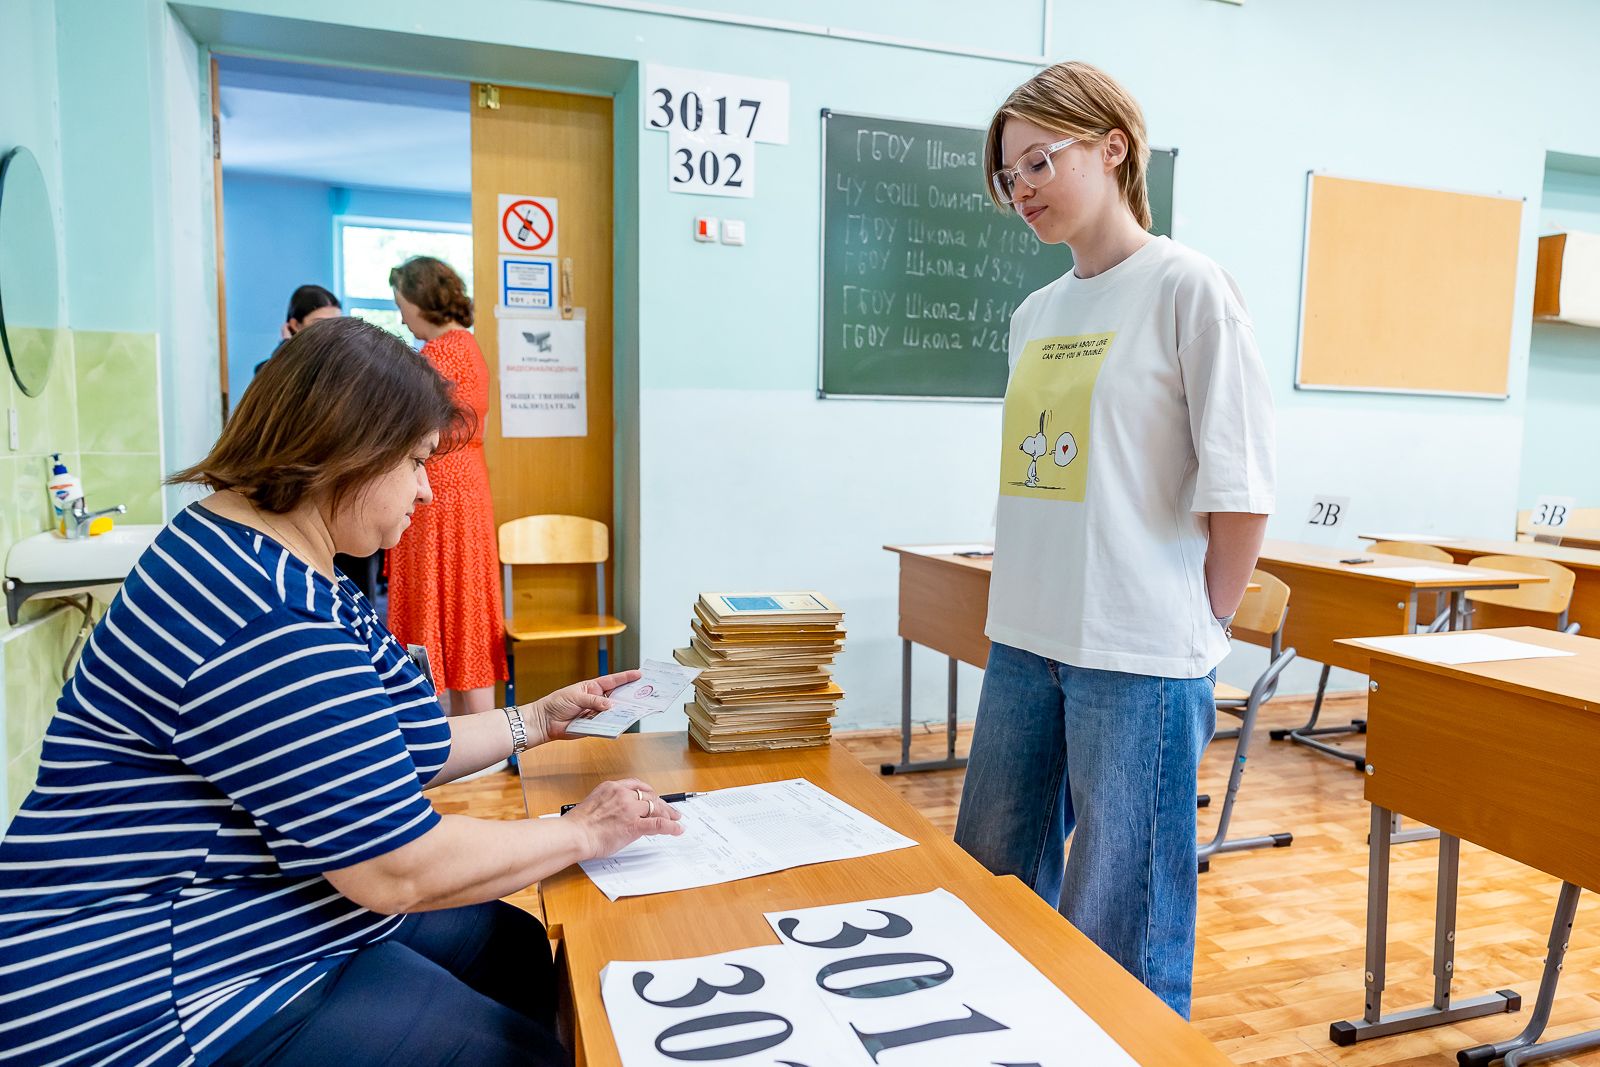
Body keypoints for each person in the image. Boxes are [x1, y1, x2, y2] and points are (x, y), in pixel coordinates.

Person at [0, 318, 684, 1067]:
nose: (427, 490)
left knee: (517, 949)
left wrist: (536, 718)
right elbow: (398, 868)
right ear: (347, 454)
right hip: (159, 982)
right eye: (418, 461)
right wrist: (584, 830)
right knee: (516, 1054)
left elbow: (405, 743)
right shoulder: (263, 611)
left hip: (262, 895)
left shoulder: (291, 559)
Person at [952, 61, 1276, 1018]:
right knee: (990, 885)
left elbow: (1241, 487)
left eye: (1040, 161)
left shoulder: (1188, 288)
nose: (1023, 190)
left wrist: (1193, 620)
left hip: (1137, 657)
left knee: (1120, 927)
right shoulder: (1034, 315)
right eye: (1009, 177)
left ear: (1114, 146)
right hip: (1025, 640)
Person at [385, 256, 506, 719]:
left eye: (401, 304)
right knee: (467, 607)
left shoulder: (436, 356)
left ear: (420, 300)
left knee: (432, 604)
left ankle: (436, 732)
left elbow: (407, 430)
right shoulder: (471, 350)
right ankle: (483, 738)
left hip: (437, 491)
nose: (400, 317)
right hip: (470, 489)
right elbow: (482, 429)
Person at [254, 283, 341, 375]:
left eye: (337, 323)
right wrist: (287, 348)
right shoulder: (266, 370)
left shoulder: (345, 362)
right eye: (320, 323)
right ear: (295, 325)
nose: (331, 330)